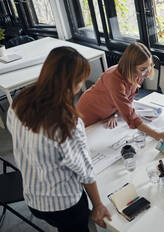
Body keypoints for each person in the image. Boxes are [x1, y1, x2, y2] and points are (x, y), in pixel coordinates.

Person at [7, 46, 111, 231]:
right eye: (81, 82)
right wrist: (97, 205)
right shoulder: (67, 122)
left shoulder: (18, 102)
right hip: (64, 204)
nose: (81, 87)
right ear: (71, 83)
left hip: (33, 198)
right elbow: (84, 171)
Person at [77, 42, 164, 142]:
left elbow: (127, 100)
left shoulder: (137, 74)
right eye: (143, 69)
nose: (147, 73)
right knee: (85, 141)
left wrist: (114, 114)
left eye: (150, 65)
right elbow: (129, 115)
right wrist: (156, 134)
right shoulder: (114, 79)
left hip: (106, 112)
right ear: (131, 66)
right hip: (88, 112)